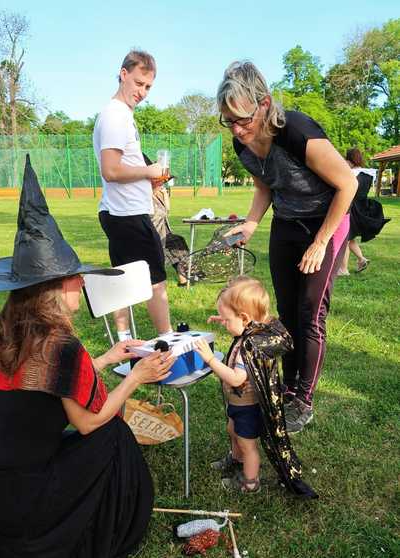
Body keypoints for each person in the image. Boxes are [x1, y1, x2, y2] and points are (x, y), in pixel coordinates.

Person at [0, 156, 174, 558]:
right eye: (75, 277)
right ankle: (121, 530)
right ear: (55, 288)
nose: (81, 283)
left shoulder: (13, 334)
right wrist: (135, 378)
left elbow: (44, 386)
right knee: (114, 434)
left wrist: (108, 358)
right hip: (18, 496)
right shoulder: (61, 345)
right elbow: (89, 421)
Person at [216, 61, 358, 433]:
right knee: (286, 311)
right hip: (286, 222)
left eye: (242, 119)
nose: (237, 129)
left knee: (310, 313)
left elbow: (348, 184)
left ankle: (303, 402)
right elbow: (265, 185)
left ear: (264, 104)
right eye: (229, 121)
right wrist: (251, 223)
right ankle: (289, 387)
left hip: (326, 222)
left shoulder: (296, 131)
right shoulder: (242, 142)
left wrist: (321, 242)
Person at [195, 276, 317, 499]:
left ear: (244, 318)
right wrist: (226, 319)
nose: (224, 324)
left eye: (226, 320)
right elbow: (255, 320)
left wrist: (210, 359)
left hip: (248, 408)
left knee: (247, 444)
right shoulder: (250, 331)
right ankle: (236, 459)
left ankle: (250, 482)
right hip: (237, 404)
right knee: (232, 430)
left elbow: (235, 379)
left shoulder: (250, 348)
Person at [93, 50, 171, 341]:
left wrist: (149, 183)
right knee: (156, 282)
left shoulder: (120, 114)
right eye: (139, 83)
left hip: (120, 211)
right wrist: (148, 171)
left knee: (122, 279)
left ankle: (124, 341)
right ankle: (168, 339)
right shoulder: (115, 116)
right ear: (123, 74)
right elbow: (111, 170)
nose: (143, 92)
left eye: (148, 86)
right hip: (127, 214)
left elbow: (120, 170)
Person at [338, 148, 389, 275]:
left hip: (351, 208)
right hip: (361, 207)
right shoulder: (367, 174)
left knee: (345, 238)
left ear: (349, 159)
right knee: (349, 238)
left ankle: (344, 269)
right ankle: (361, 260)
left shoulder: (351, 174)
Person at [146, 155, 190, 286]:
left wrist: (165, 195)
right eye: (160, 181)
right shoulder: (145, 195)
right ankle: (184, 277)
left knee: (178, 243)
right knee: (173, 246)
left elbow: (167, 211)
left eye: (164, 181)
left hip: (164, 233)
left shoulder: (159, 194)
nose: (162, 184)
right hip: (152, 236)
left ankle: (184, 278)